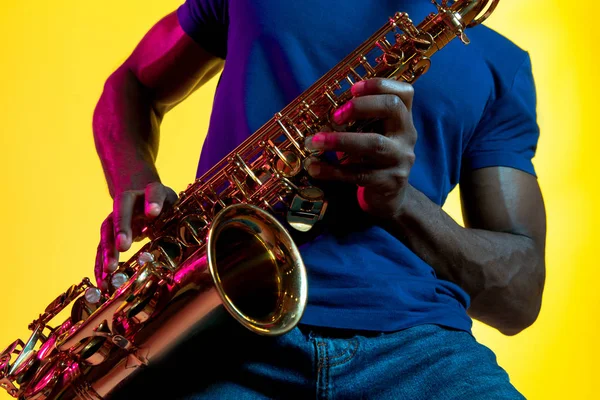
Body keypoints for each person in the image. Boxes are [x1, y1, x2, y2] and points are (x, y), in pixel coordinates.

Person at [92, 1, 546, 398]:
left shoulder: (502, 64)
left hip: (417, 349)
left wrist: (401, 202)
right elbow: (132, 83)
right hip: (218, 326)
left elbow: (518, 297)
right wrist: (135, 181)